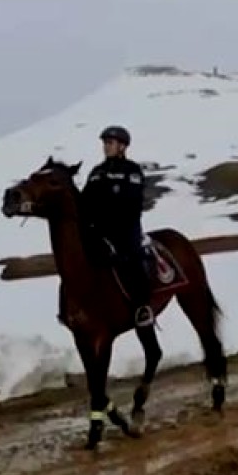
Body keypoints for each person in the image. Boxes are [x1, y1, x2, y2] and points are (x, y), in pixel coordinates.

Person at [80, 125, 154, 327]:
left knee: (133, 257)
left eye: (110, 143)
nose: (106, 147)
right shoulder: (96, 172)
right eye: (105, 143)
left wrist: (107, 216)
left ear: (122, 146)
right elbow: (85, 201)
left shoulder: (132, 170)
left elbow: (132, 203)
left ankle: (142, 307)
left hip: (125, 228)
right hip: (99, 230)